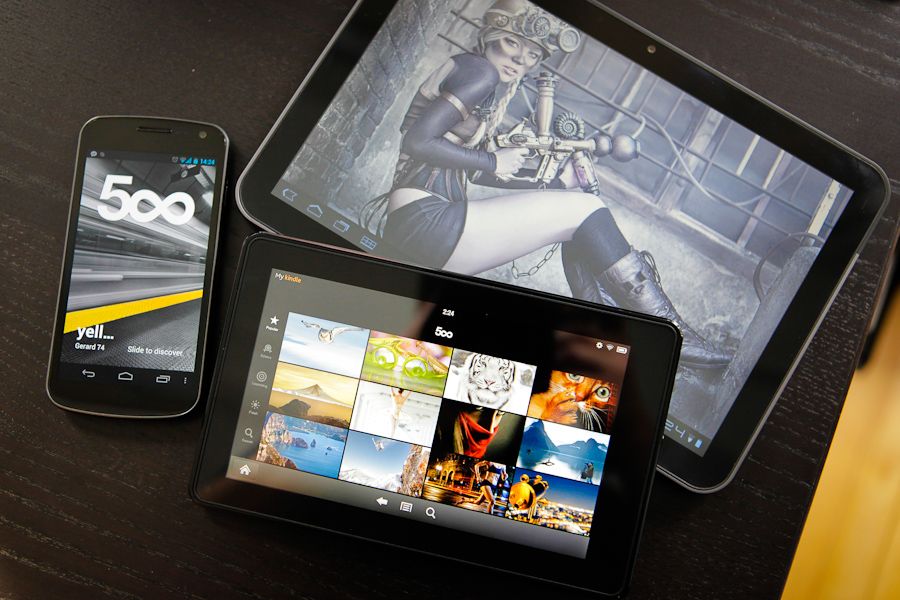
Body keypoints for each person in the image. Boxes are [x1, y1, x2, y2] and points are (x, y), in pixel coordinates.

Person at [368, 0, 727, 367]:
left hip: (419, 224)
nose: (519, 60)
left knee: (576, 219)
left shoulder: (473, 74)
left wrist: (553, 181)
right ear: (491, 34)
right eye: (512, 43)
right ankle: (673, 336)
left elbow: (473, 172)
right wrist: (494, 159)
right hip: (427, 221)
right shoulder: (481, 72)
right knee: (587, 208)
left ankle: (616, 334)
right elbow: (418, 140)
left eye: (532, 54)